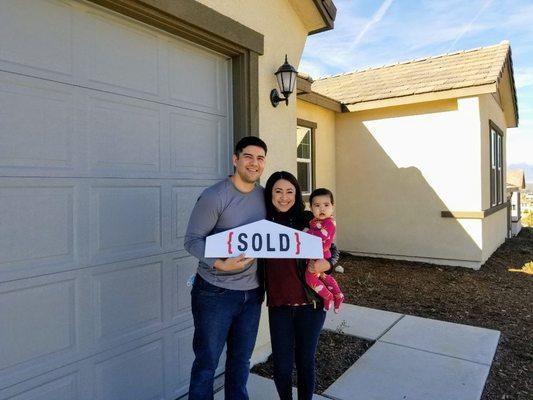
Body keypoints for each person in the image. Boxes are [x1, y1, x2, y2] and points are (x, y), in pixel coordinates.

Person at [184, 136, 268, 400]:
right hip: (214, 293)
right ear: (235, 159)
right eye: (248, 157)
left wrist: (328, 251)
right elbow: (192, 241)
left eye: (260, 158)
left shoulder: (264, 196)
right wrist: (221, 263)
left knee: (240, 363)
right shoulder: (215, 196)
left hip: (252, 294)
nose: (254, 163)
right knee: (206, 365)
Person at [262, 171, 339, 400]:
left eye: (289, 191)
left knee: (306, 362)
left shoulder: (308, 219)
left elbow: (332, 249)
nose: (284, 197)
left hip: (310, 304)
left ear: (297, 194)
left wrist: (329, 264)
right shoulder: (263, 223)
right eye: (278, 191)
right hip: (279, 305)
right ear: (270, 194)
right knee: (282, 366)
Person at [304, 188, 344, 313]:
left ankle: (328, 296)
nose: (322, 209)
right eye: (317, 205)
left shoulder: (330, 223)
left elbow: (320, 237)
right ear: (310, 208)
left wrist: (306, 232)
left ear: (332, 207)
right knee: (324, 276)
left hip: (321, 256)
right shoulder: (315, 221)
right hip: (316, 255)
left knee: (310, 278)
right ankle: (338, 295)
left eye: (326, 205)